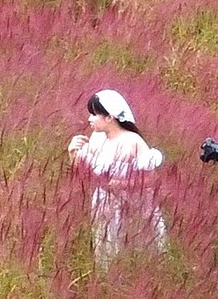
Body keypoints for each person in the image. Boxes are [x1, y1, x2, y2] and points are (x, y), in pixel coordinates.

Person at [68, 89, 166, 265]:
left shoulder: (132, 141)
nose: (90, 119)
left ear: (109, 117)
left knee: (136, 254)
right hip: (105, 208)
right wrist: (73, 153)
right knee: (107, 254)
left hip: (134, 209)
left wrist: (122, 184)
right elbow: (83, 176)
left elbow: (152, 179)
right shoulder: (97, 139)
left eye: (94, 114)